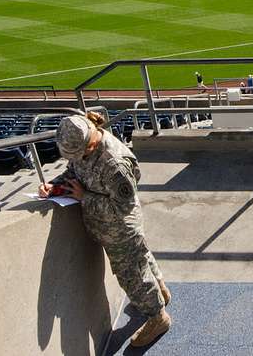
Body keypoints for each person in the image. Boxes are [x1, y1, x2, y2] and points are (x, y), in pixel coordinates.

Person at [40, 113, 171, 347]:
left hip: (120, 229)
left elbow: (123, 207)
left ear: (89, 144)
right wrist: (55, 184)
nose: (75, 159)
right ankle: (160, 291)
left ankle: (157, 316)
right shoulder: (86, 145)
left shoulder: (114, 163)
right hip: (108, 227)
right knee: (142, 259)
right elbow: (76, 171)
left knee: (133, 277)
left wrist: (84, 197)